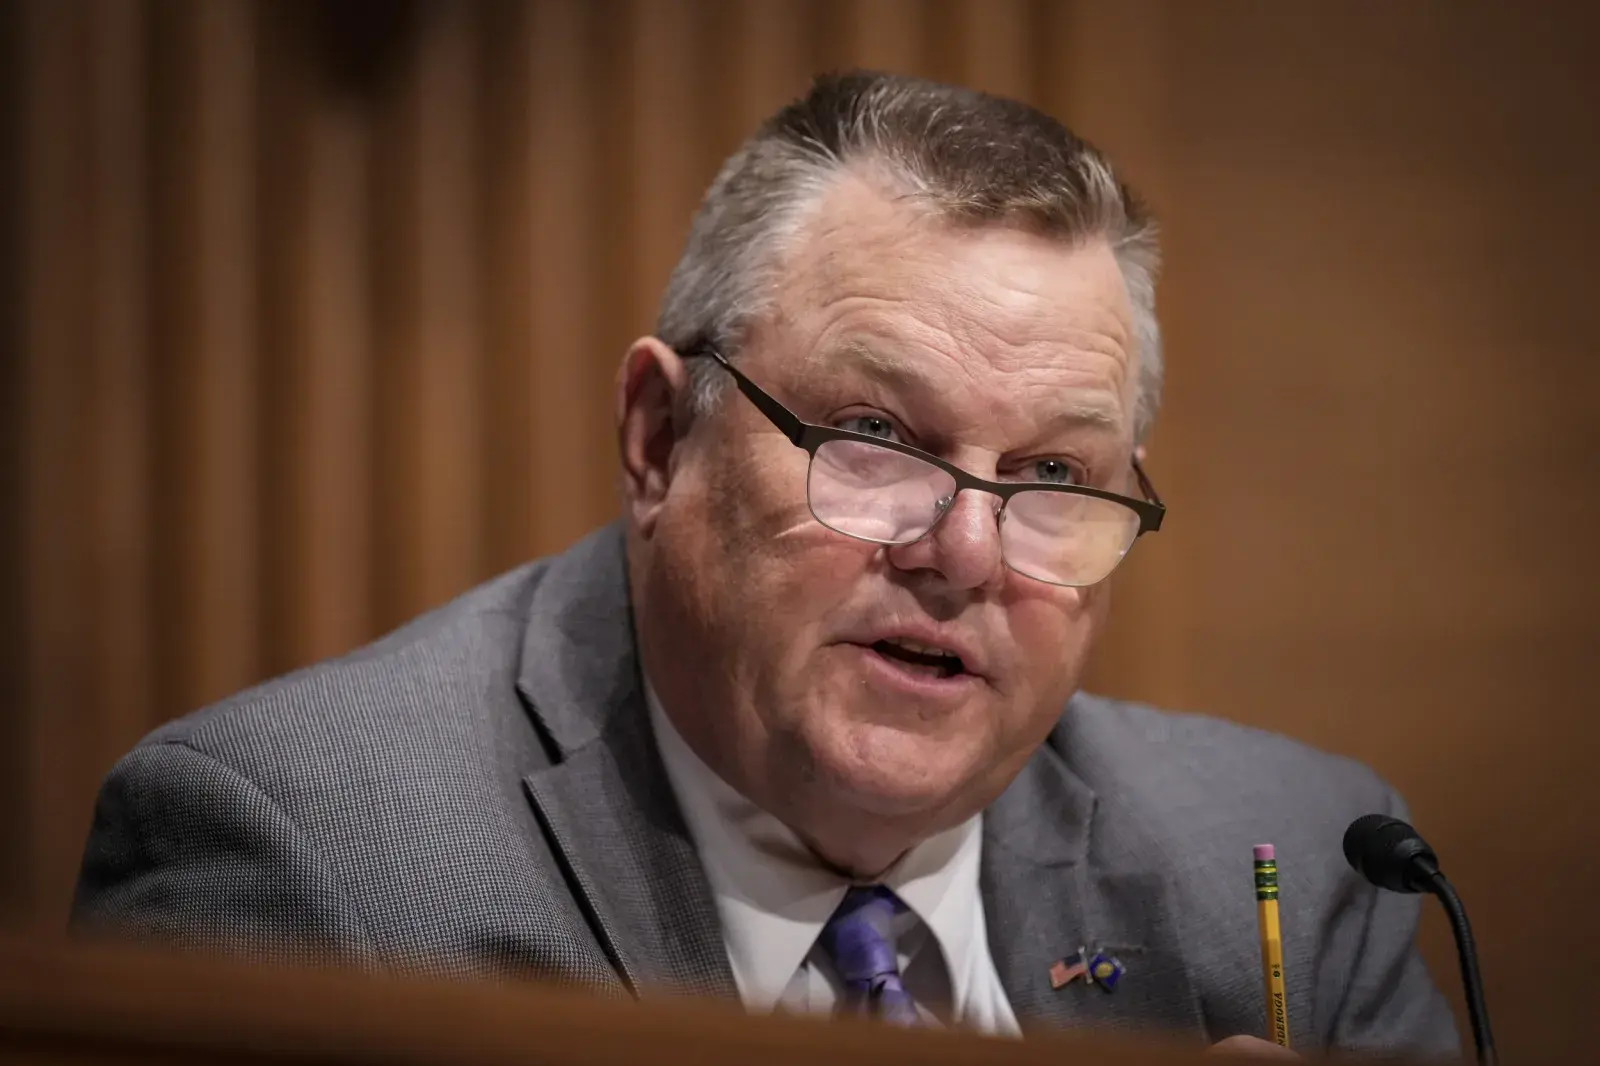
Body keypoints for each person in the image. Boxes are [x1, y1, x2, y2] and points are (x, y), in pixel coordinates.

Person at [74, 72, 1457, 1054]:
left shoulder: (1301, 865)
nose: (965, 549)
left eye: (1051, 476)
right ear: (660, 435)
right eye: (872, 434)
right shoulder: (307, 870)